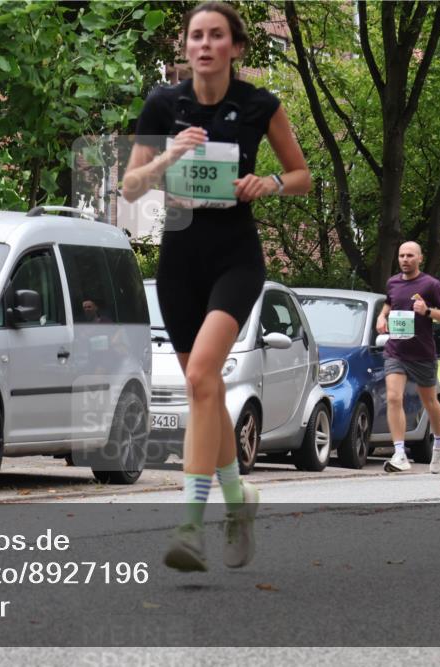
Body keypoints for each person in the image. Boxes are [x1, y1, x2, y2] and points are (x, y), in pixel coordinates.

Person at [122, 2, 311, 572]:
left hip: (236, 259)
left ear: (236, 47)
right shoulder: (164, 104)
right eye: (196, 36)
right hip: (179, 260)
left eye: (216, 36)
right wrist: (168, 157)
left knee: (202, 376)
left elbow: (301, 175)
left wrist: (269, 182)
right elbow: (130, 187)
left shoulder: (259, 105)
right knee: (204, 391)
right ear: (185, 47)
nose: (204, 45)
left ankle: (189, 525)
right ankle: (238, 500)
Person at [376, 241, 440, 474]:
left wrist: (427, 311)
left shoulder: (431, 285)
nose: (405, 259)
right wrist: (382, 317)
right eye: (402, 255)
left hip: (422, 354)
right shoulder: (393, 282)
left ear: (420, 258)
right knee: (393, 398)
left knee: (430, 402)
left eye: (410, 255)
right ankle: (400, 453)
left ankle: (439, 443)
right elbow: (389, 303)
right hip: (396, 351)